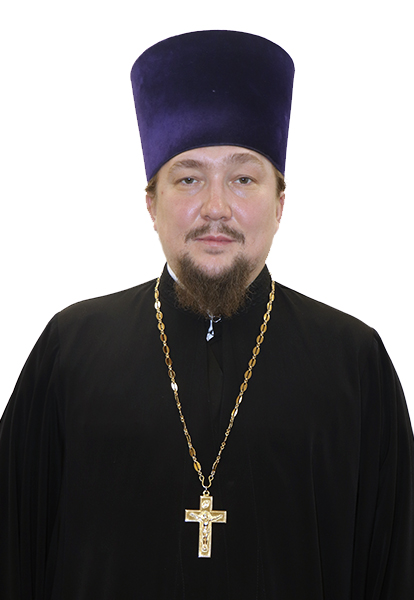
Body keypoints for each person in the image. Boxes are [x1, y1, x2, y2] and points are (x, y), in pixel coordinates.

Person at [0, 30, 413, 600]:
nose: (216, 208)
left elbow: (396, 569)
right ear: (152, 203)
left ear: (279, 204)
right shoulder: (70, 351)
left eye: (243, 179)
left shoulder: (354, 363)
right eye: (189, 178)